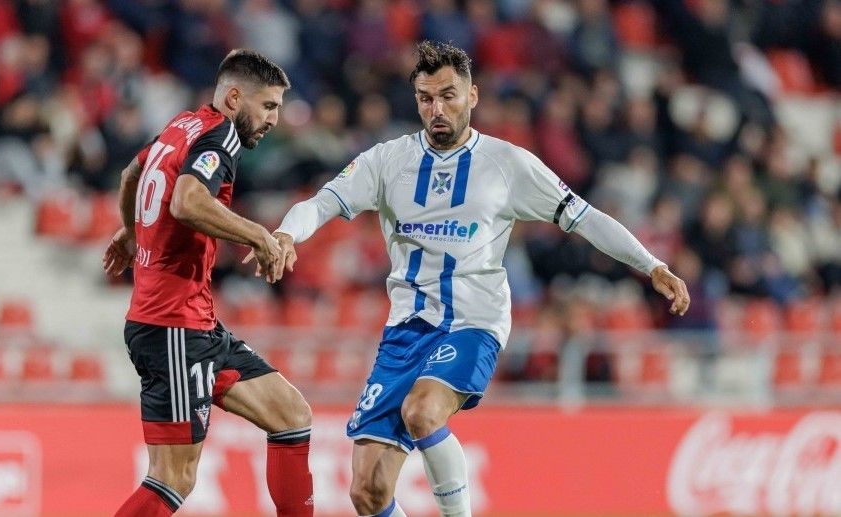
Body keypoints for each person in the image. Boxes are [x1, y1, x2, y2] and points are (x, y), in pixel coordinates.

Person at [270, 41, 690, 517]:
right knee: (368, 491)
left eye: (448, 95)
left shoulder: (507, 164)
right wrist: (286, 233)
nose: (437, 109)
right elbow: (322, 203)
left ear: (473, 95)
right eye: (426, 98)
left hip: (473, 322)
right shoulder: (387, 161)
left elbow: (585, 217)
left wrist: (651, 264)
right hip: (405, 330)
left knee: (422, 410)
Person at [103, 49, 314, 517]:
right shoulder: (221, 136)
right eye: (268, 106)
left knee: (291, 415)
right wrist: (259, 235)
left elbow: (131, 174)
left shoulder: (183, 125)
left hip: (194, 325)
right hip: (173, 327)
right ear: (234, 98)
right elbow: (186, 201)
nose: (274, 119)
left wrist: (132, 231)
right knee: (172, 477)